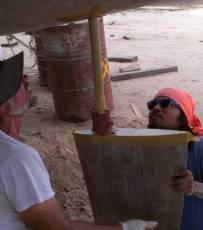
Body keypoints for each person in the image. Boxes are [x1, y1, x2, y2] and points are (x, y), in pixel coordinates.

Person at [0, 53, 158, 229]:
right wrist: (124, 228)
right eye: (14, 83)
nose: (25, 79)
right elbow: (56, 227)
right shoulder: (16, 159)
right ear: (3, 108)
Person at [147, 87, 203, 230]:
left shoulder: (199, 147)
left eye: (165, 103)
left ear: (183, 116)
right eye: (152, 105)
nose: (156, 107)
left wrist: (194, 187)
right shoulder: (143, 146)